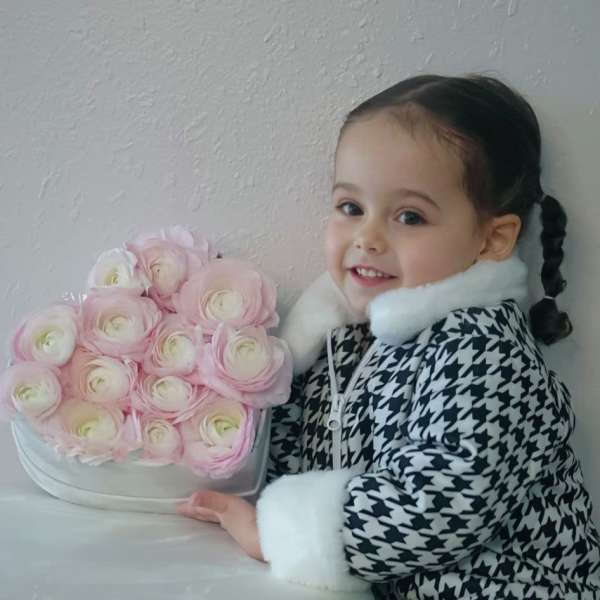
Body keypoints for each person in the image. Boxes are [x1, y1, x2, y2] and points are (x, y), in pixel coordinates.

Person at [176, 74, 600, 599]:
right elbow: (304, 455)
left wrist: (275, 535)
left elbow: (439, 506)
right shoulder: (345, 338)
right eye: (351, 208)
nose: (368, 238)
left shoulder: (484, 353)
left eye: (410, 216)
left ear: (492, 238)